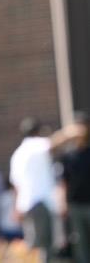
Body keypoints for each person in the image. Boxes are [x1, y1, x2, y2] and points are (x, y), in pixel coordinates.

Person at [11, 117, 58, 260]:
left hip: (26, 204)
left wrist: (16, 207)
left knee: (33, 241)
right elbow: (53, 143)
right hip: (40, 203)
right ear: (38, 132)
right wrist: (72, 132)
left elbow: (15, 184)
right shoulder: (36, 144)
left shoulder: (18, 153)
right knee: (43, 245)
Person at [57, 113, 90, 263]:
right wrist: (63, 203)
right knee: (79, 241)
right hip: (75, 204)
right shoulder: (67, 155)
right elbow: (63, 181)